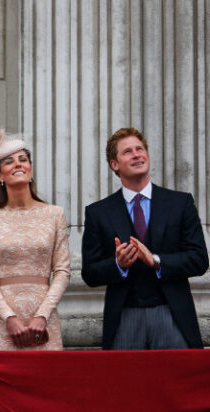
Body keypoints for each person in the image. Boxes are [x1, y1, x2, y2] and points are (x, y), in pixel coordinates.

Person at [82, 128, 208, 349]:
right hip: (124, 317)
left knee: (176, 383)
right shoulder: (98, 212)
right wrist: (118, 265)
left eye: (140, 149)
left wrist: (156, 261)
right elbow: (90, 273)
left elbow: (199, 259)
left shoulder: (180, 203)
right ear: (114, 165)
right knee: (125, 383)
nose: (137, 154)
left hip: (172, 313)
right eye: (128, 152)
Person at [0, 129, 70, 350]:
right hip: (4, 320)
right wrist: (9, 317)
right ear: (0, 175)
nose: (18, 164)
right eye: (9, 161)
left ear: (30, 169)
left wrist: (42, 315)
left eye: (23, 159)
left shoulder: (55, 214)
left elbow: (63, 271)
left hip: (44, 319)